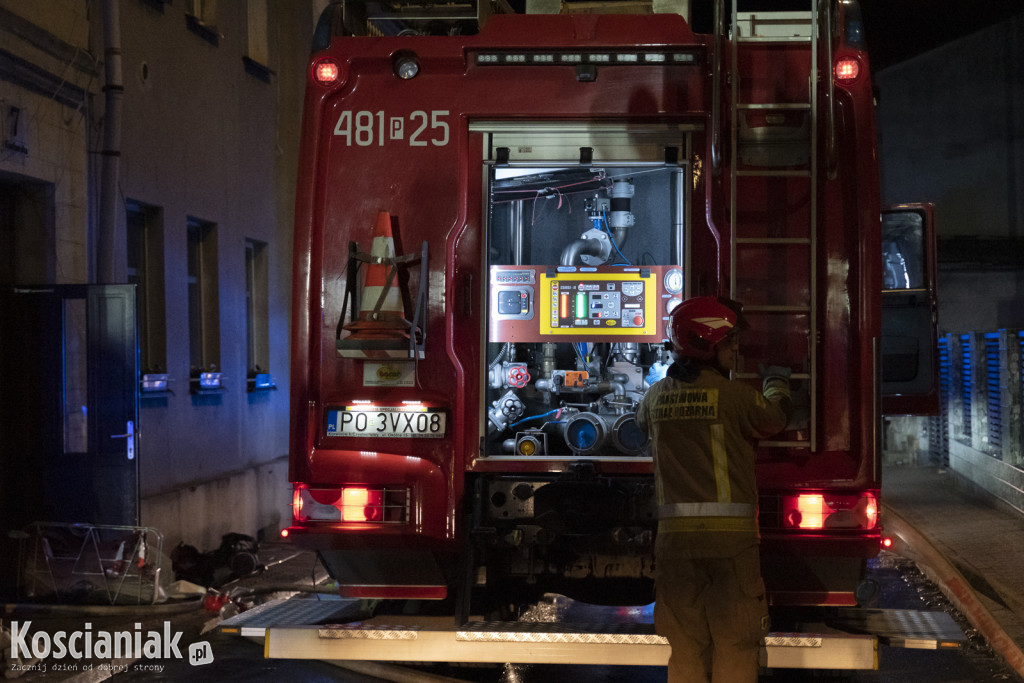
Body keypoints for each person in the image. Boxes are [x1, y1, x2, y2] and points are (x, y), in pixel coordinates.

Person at [636, 296, 793, 682]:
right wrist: (777, 383)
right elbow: (774, 418)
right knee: (735, 644)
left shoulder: (655, 398)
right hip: (730, 548)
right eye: (730, 343)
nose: (735, 350)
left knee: (685, 647)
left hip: (674, 549)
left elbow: (640, 425)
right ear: (706, 344)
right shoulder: (734, 397)